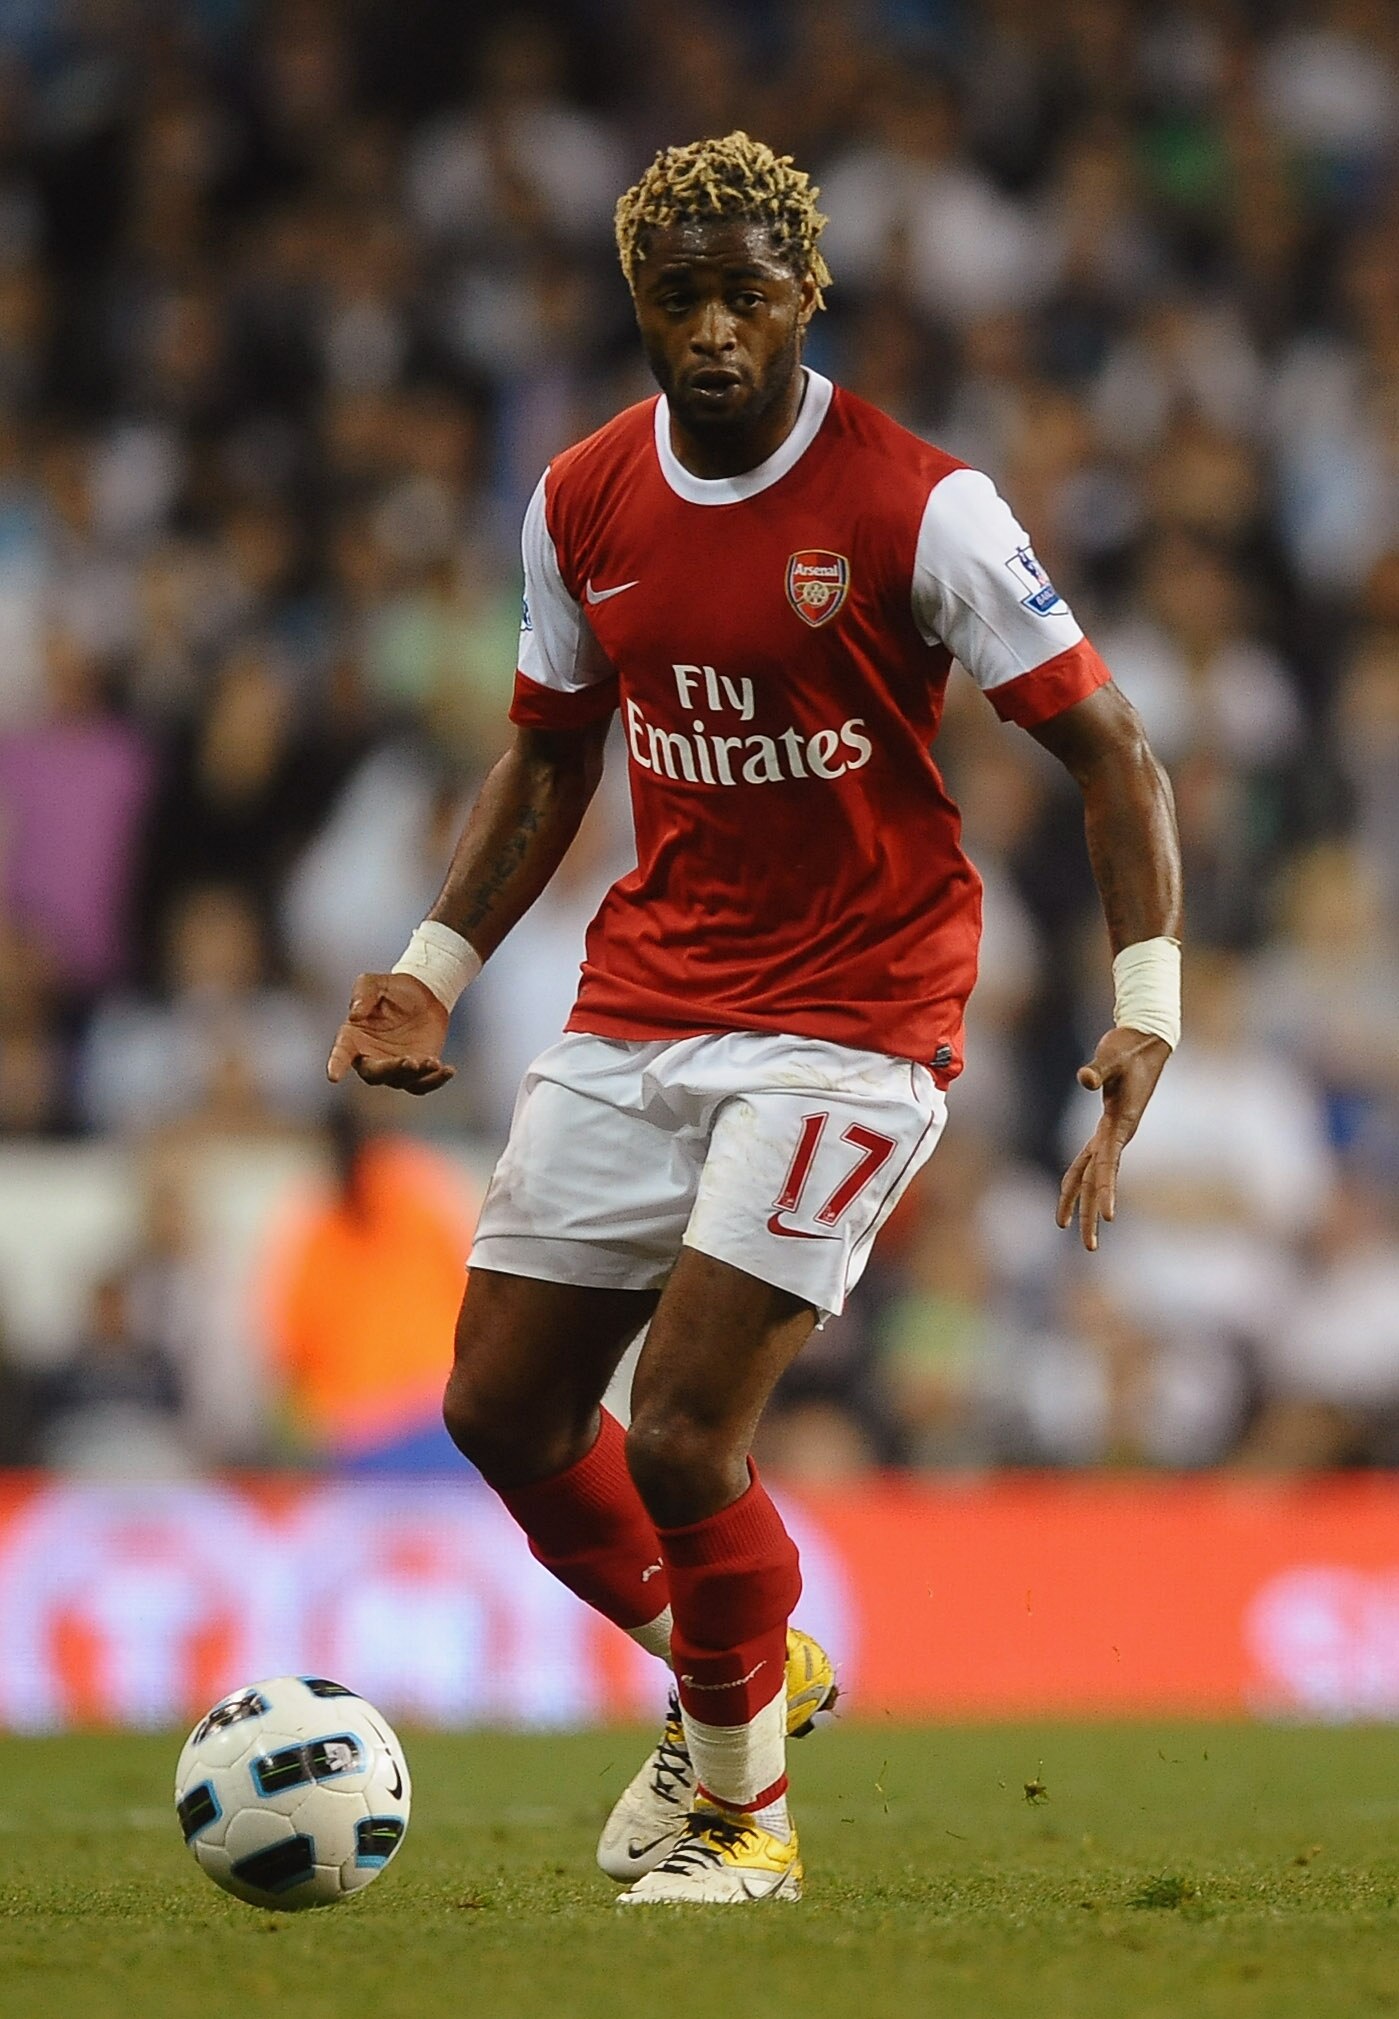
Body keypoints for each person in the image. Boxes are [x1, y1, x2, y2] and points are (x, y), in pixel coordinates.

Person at [328, 133, 1183, 1906]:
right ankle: (745, 1667)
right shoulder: (581, 499)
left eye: (747, 291)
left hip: (858, 1016)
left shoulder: (918, 503)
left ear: (807, 294)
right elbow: (551, 753)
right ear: (636, 303)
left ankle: (742, 1816)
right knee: (497, 1405)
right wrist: (433, 960)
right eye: (678, 294)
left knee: (684, 1432)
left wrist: (1143, 1003)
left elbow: (1113, 752)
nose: (714, 328)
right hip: (647, 994)